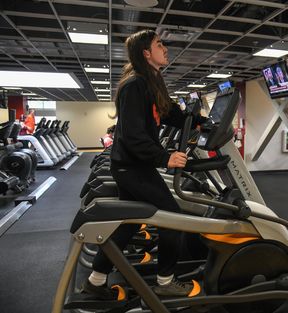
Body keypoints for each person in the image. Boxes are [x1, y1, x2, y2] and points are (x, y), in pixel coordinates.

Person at [82, 29, 206, 300]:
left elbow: (168, 111)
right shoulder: (135, 84)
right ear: (146, 53)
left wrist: (200, 122)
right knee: (173, 218)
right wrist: (165, 157)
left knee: (129, 223)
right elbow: (133, 135)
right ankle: (165, 282)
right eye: (159, 44)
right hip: (132, 166)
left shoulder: (150, 81)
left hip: (132, 165)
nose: (165, 49)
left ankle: (95, 280)